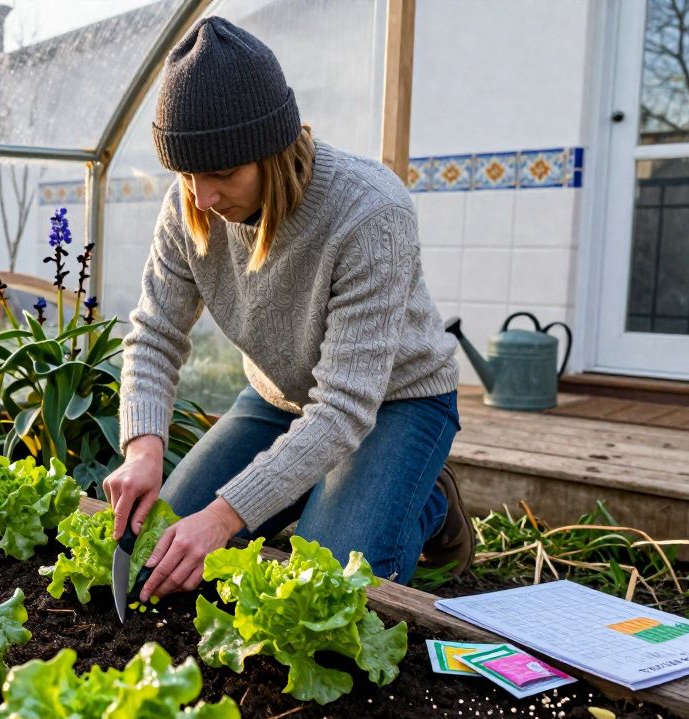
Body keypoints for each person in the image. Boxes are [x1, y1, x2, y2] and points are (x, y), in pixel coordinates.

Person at [103, 16, 471, 603]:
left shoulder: (369, 212)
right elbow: (154, 334)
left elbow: (346, 406)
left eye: (222, 173)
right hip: (278, 400)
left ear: (272, 151)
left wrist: (226, 517)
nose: (203, 196)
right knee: (160, 561)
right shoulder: (190, 205)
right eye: (188, 173)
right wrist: (143, 447)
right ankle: (320, 485)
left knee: (328, 586)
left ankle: (427, 501)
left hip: (393, 405)